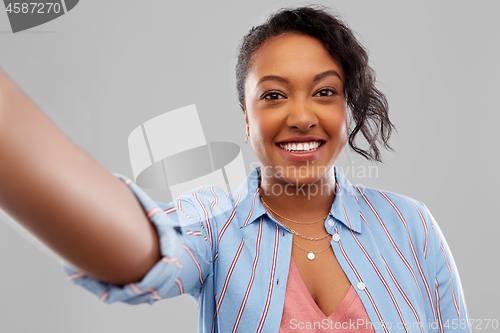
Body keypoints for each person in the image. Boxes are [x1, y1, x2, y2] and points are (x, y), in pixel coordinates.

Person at [0, 5, 470, 333]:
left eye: (325, 92)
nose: (302, 116)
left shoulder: (411, 227)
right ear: (246, 118)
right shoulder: (214, 225)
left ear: (348, 109)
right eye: (273, 95)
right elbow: (139, 250)